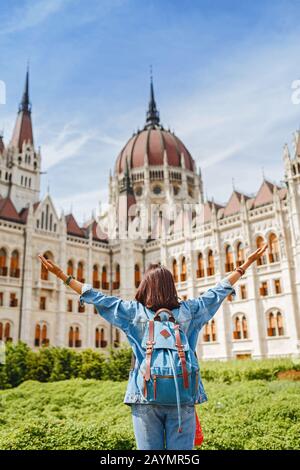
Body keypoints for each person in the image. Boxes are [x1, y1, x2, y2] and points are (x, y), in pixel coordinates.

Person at [38, 243, 267, 450]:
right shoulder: (190, 311)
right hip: (183, 395)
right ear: (172, 287)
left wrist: (62, 276)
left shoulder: (133, 313)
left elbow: (98, 298)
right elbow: (217, 291)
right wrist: (245, 265)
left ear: (146, 286)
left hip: (144, 396)